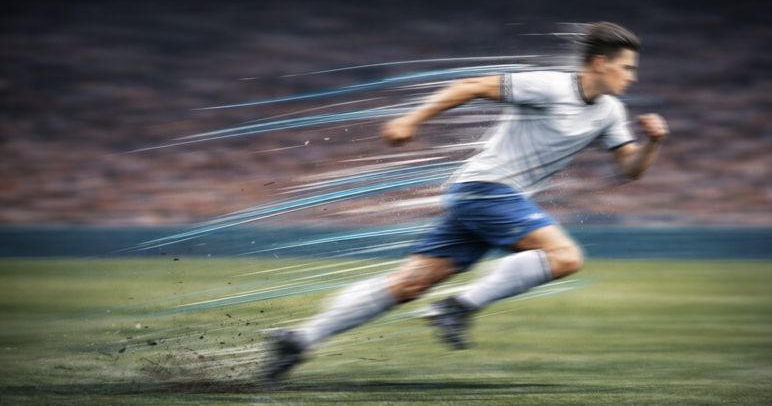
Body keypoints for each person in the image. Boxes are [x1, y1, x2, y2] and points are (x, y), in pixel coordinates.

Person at [262, 22, 669, 383]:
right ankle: (457, 308)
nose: (632, 77)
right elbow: (471, 86)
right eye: (627, 67)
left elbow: (629, 168)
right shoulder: (549, 86)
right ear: (600, 62)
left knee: (409, 285)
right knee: (564, 257)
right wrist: (411, 119)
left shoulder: (611, 111)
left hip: (485, 198)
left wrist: (652, 142)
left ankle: (298, 339)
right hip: (485, 189)